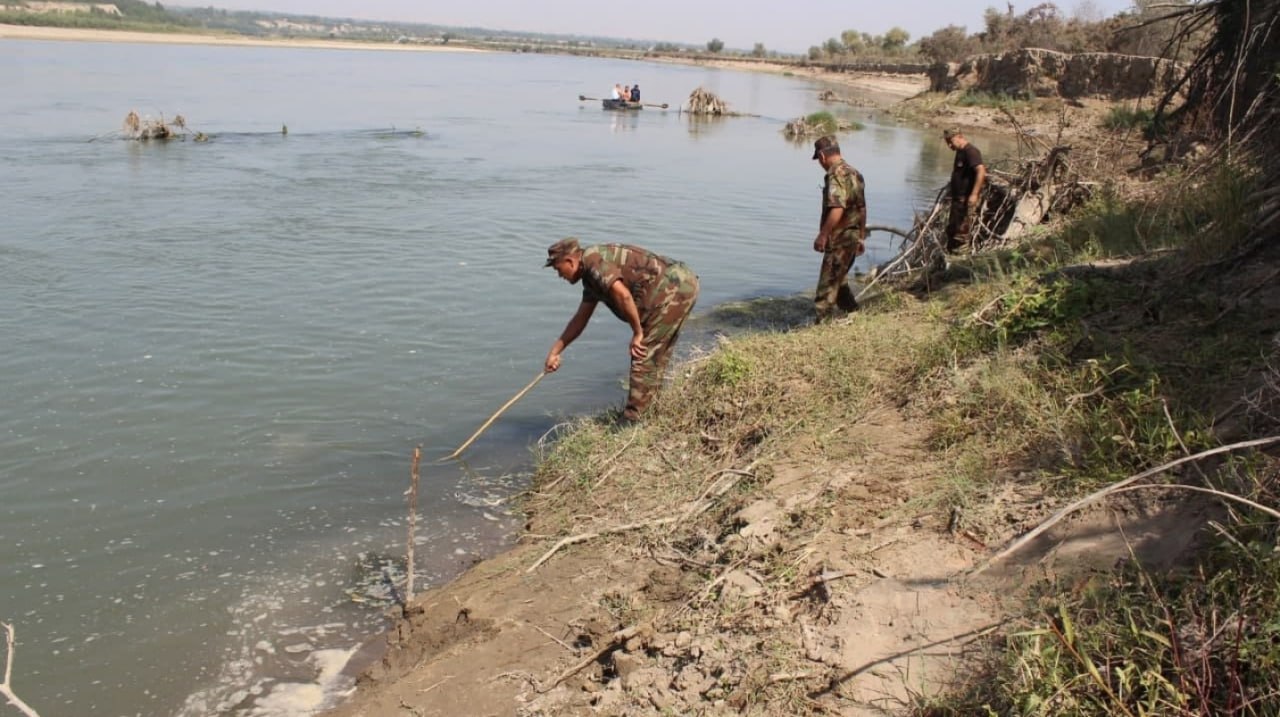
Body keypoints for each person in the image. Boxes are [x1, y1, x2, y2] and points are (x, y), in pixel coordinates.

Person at [543, 238, 699, 423]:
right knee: (655, 357)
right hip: (676, 287)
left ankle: (633, 421)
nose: (560, 275)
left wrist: (637, 333)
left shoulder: (593, 261)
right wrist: (555, 352)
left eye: (558, 269)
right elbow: (580, 320)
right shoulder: (590, 279)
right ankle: (651, 411)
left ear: (570, 261)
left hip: (674, 288)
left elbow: (623, 295)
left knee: (643, 355)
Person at [810, 135, 867, 324]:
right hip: (851, 236)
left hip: (840, 237)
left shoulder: (836, 174)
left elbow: (837, 207)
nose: (820, 163)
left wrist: (823, 234)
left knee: (826, 287)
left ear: (822, 156)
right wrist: (860, 237)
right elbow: (862, 208)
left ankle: (820, 326)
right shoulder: (855, 172)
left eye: (818, 160)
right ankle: (854, 313)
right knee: (839, 281)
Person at [942, 127, 986, 253]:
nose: (949, 145)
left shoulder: (971, 151)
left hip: (965, 200)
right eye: (947, 142)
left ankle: (960, 260)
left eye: (951, 141)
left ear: (960, 136)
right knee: (952, 230)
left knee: (961, 232)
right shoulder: (960, 152)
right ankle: (950, 259)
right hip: (957, 201)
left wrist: (974, 194)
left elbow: (981, 171)